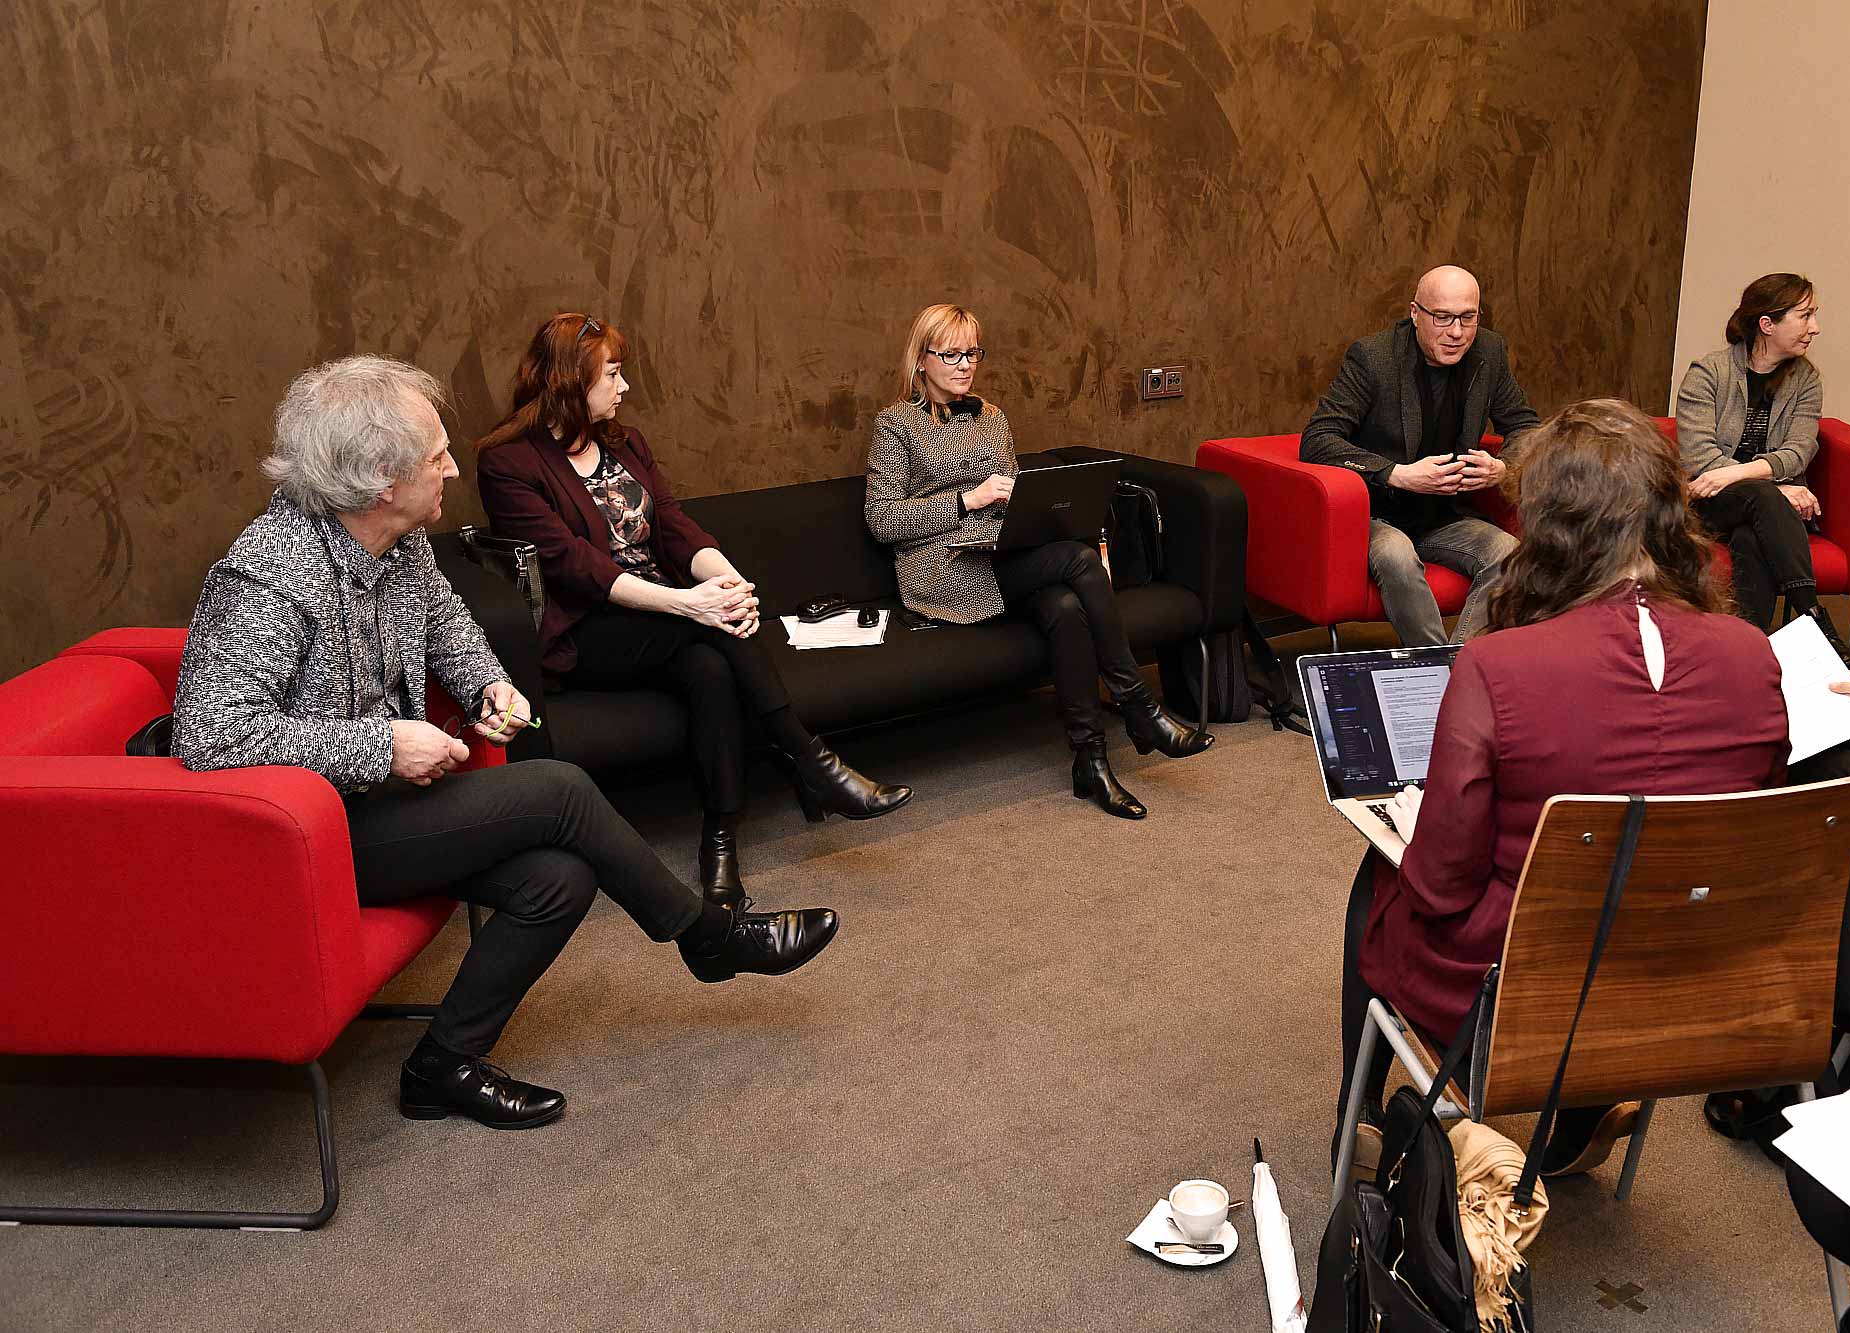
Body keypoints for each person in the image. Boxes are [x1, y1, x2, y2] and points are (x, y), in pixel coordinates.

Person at [174, 355, 839, 1130]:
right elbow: (212, 733)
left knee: (558, 878)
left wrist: (491, 686)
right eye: (436, 457)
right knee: (559, 787)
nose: (455, 469)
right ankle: (707, 937)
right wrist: (382, 744)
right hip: (310, 833)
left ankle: (441, 1066)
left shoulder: (398, 541)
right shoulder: (269, 573)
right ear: (381, 481)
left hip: (380, 804)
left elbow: (449, 627)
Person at [1336, 399, 1790, 1176]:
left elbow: (1442, 887)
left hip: (1520, 995)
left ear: (1550, 529)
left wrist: (1409, 828)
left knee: (1379, 874)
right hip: (1688, 982)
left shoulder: (1497, 666)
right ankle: (1582, 1110)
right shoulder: (1754, 653)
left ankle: (1362, 1114)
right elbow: (1745, 828)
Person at [476, 314, 911, 907]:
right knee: (711, 635)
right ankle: (811, 761)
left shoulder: (625, 444)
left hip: (666, 616)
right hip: (590, 630)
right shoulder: (509, 463)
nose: (625, 386)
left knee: (710, 669)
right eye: (613, 374)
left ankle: (721, 839)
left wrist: (728, 583)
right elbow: (575, 565)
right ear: (570, 381)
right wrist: (691, 604)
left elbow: (676, 528)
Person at [863, 303, 1211, 820]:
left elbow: (1013, 497)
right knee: (1080, 561)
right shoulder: (896, 425)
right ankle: (1139, 706)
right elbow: (883, 520)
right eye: (951, 354)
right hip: (944, 570)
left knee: (1066, 608)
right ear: (921, 359)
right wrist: (968, 499)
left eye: (972, 353)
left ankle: (1091, 760)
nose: (965, 365)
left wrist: (1035, 513)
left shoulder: (992, 417)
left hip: (1000, 554)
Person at [1299, 264, 1539, 646]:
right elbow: (1318, 439)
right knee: (1397, 556)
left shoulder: (1489, 351)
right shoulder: (1374, 358)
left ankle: (1459, 666)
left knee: (1509, 554)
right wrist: (1396, 473)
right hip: (1377, 513)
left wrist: (1504, 468)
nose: (1456, 332)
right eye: (1442, 317)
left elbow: (1526, 427)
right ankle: (1435, 667)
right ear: (1415, 313)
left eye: (1468, 318)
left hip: (1443, 514)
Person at [1676, 272, 1850, 658]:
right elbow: (1699, 457)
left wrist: (1741, 472)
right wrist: (1776, 488)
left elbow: (1799, 451)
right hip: (1711, 504)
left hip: (1769, 511)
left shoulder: (1805, 380)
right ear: (1767, 325)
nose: (1815, 328)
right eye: (1805, 316)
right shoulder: (1708, 374)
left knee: (1750, 538)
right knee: (1760, 498)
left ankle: (1747, 650)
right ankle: (1813, 619)